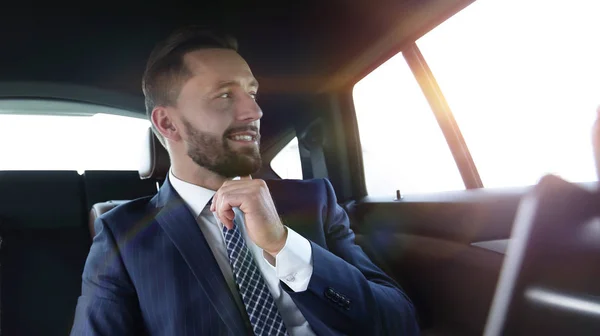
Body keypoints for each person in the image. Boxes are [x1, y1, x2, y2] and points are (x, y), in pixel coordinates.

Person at [71, 26, 419, 336]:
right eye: (224, 95)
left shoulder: (312, 201)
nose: (254, 111)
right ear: (167, 124)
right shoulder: (124, 234)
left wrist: (285, 246)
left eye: (251, 93)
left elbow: (399, 323)